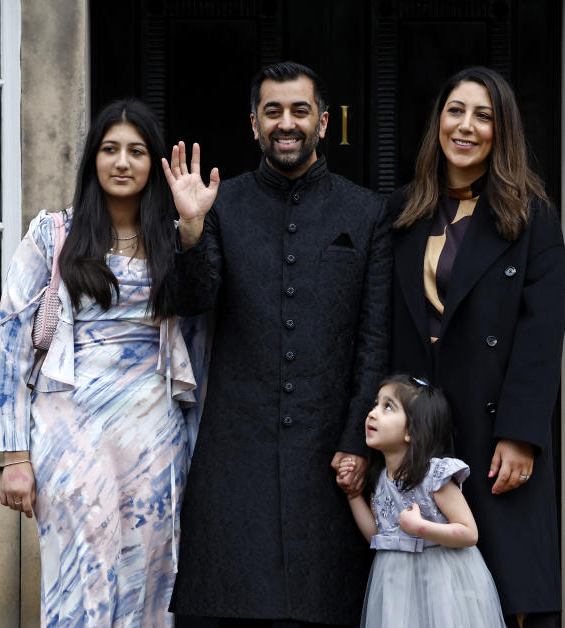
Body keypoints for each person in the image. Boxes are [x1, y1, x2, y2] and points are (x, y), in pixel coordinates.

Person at [162, 61, 392, 626]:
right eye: (273, 111)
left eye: (299, 110)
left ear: (322, 121)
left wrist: (356, 444)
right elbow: (193, 300)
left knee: (326, 609)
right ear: (253, 123)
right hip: (234, 454)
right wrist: (190, 230)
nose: (285, 123)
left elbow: (375, 338)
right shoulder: (223, 206)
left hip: (329, 457)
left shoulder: (366, 212)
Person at [0, 99, 202, 627]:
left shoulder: (173, 239)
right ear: (92, 160)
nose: (122, 162)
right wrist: (15, 457)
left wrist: (193, 231)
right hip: (69, 427)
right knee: (79, 571)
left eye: (136, 151)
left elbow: (205, 321)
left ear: (154, 164)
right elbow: (10, 343)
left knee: (150, 576)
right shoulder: (52, 234)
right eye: (109, 150)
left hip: (154, 432)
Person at [388, 67, 565, 627]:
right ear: (438, 122)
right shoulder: (398, 213)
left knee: (505, 594)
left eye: (483, 115)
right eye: (455, 111)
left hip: (495, 437)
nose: (466, 127)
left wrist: (521, 434)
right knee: (423, 597)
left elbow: (542, 332)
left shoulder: (531, 216)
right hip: (424, 433)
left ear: (501, 131)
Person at [337, 375, 506, 628]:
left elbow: (469, 533)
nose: (372, 413)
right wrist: (352, 496)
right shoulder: (381, 479)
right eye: (375, 404)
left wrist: (420, 528)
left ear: (413, 431)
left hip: (442, 580)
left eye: (388, 407)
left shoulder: (435, 477)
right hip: (397, 583)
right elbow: (378, 534)